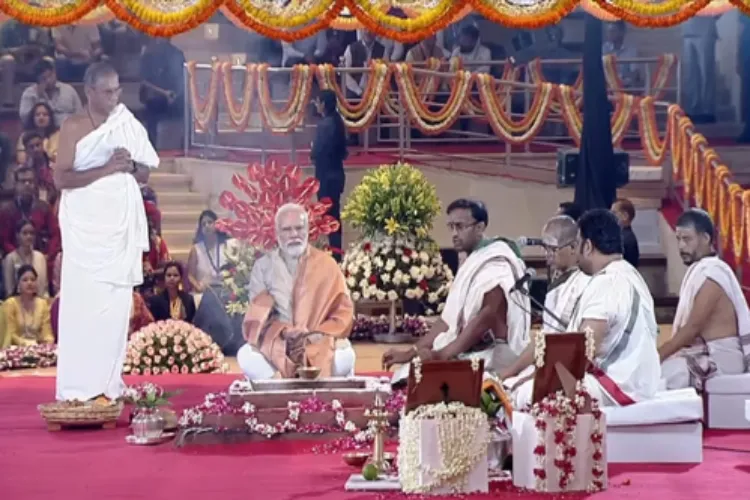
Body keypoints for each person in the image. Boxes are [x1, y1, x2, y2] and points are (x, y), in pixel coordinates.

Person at [53, 61, 159, 403]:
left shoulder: (125, 123)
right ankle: (78, 390)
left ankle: (109, 386)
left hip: (118, 230)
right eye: (107, 91)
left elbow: (145, 173)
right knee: (83, 309)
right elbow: (62, 179)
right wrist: (106, 168)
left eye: (117, 90)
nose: (115, 97)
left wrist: (130, 166)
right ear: (89, 91)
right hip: (86, 235)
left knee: (114, 311)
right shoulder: (73, 126)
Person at [505, 209, 660, 408]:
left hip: (615, 387)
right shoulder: (631, 274)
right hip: (639, 384)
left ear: (587, 246)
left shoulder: (606, 282)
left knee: (520, 394)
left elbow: (584, 349)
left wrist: (532, 381)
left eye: (577, 245)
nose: (576, 254)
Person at [384, 199, 531, 384]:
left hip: (493, 357)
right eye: (451, 227)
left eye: (460, 227)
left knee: (420, 382)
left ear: (480, 227)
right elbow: (447, 321)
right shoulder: (472, 260)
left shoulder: (495, 260)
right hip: (466, 352)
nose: (454, 234)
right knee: (404, 376)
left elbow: (488, 315)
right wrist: (410, 353)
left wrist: (442, 355)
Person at [236, 203, 356, 380]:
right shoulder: (263, 267)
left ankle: (306, 384)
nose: (294, 235)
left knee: (345, 355)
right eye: (287, 229)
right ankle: (280, 387)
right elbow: (258, 318)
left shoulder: (327, 265)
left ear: (308, 230)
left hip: (318, 342)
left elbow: (343, 313)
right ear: (277, 234)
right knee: (246, 355)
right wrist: (284, 332)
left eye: (299, 228)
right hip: (278, 344)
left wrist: (317, 333)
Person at [660, 210, 750, 391]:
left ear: (706, 238)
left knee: (659, 378)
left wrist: (656, 356)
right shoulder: (702, 271)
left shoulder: (712, 275)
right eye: (678, 239)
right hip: (702, 355)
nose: (681, 246)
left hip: (720, 362)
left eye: (687, 239)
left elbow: (691, 329)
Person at [498, 215, 589, 381]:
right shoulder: (561, 280)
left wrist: (513, 373)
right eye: (545, 248)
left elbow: (550, 342)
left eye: (552, 249)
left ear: (574, 247)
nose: (547, 255)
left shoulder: (579, 284)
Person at [311, 89, 347, 255]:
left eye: (317, 102)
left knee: (329, 218)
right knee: (334, 216)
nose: (316, 105)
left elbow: (317, 153)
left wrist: (313, 148)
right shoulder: (338, 121)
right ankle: (336, 250)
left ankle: (333, 253)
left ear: (323, 104)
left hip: (326, 177)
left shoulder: (324, 126)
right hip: (337, 174)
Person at [1, 265, 54, 346]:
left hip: (37, 348)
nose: (29, 283)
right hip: (15, 348)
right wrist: (25, 343)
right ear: (18, 284)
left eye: (33, 280)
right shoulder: (10, 304)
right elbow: (10, 334)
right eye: (25, 280)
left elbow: (46, 331)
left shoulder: (43, 304)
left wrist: (49, 341)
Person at [19, 59, 82, 125]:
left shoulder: (68, 90)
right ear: (38, 80)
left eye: (50, 76)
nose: (48, 81)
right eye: (44, 78)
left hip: (68, 129)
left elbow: (80, 114)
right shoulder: (30, 94)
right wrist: (39, 97)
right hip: (41, 132)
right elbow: (24, 118)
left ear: (54, 72)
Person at [3, 219, 49, 299]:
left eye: (32, 233)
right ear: (17, 235)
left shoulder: (40, 257)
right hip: (16, 304)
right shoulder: (10, 259)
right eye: (25, 233)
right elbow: (9, 291)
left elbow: (44, 288)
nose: (29, 236)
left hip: (39, 302)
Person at [611, 198, 640, 268]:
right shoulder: (621, 236)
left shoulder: (625, 239)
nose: (610, 216)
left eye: (613, 213)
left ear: (625, 216)